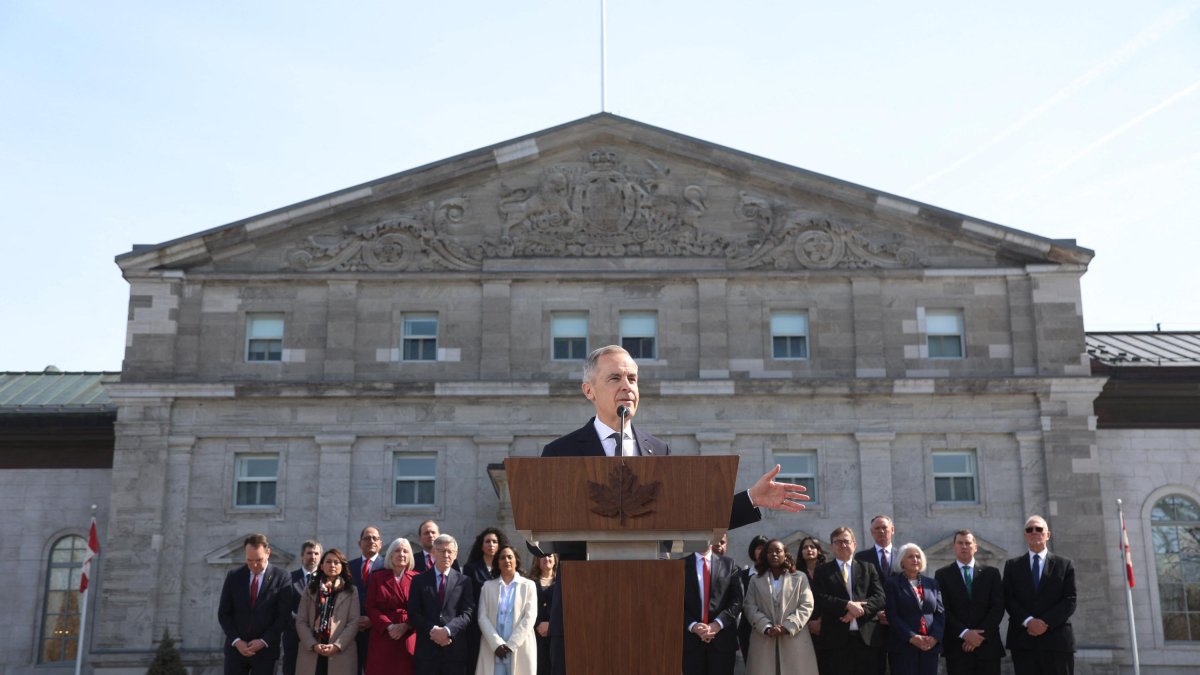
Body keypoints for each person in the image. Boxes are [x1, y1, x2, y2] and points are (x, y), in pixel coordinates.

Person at [538, 345, 810, 675]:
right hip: (586, 608)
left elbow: (690, 515)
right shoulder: (560, 452)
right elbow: (539, 530)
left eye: (633, 378)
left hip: (650, 606)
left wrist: (751, 498)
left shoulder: (657, 451)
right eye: (615, 378)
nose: (628, 386)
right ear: (589, 390)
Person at [1003, 515, 1076, 675]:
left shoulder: (1065, 564)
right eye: (1029, 529)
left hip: (1057, 640)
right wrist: (1029, 622)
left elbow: (1070, 600)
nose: (1034, 532)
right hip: (1023, 641)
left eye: (1039, 529)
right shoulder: (1012, 566)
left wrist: (1044, 623)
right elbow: (1009, 599)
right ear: (1025, 535)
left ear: (1048, 534)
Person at [811, 527, 885, 675]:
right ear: (831, 546)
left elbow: (880, 597)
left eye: (846, 541)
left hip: (867, 639)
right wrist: (847, 605)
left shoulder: (868, 568)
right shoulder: (822, 571)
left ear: (854, 545)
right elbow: (819, 598)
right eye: (838, 542)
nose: (843, 545)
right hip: (835, 641)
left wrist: (858, 611)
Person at [218, 533, 293, 675]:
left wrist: (263, 641)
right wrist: (237, 641)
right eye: (249, 560)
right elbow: (224, 613)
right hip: (236, 651)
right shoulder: (234, 576)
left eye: (259, 560)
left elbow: (283, 616)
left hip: (266, 651)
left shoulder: (282, 577)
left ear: (268, 553)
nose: (254, 565)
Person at [743, 539, 818, 675]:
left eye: (778, 551)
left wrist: (787, 626)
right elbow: (749, 606)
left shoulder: (800, 578)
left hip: (794, 638)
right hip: (764, 637)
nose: (774, 554)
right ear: (765, 556)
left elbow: (807, 605)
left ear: (786, 554)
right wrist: (766, 627)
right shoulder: (755, 580)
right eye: (770, 552)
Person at [934, 529, 1004, 675]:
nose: (964, 546)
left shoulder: (991, 573)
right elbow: (943, 609)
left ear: (975, 547)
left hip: (987, 647)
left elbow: (997, 607)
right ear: (954, 547)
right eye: (960, 543)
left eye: (968, 543)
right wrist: (965, 633)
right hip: (957, 647)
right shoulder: (942, 575)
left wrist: (977, 637)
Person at [408, 534, 476, 675]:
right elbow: (413, 613)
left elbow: (467, 613)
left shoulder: (464, 581)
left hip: (454, 651)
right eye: (441, 551)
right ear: (433, 553)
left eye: (450, 551)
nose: (446, 555)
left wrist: (447, 631)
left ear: (455, 554)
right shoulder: (419, 580)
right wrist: (434, 630)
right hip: (426, 652)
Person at [683, 535, 743, 675]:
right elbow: (675, 601)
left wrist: (717, 624)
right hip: (691, 642)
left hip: (722, 641)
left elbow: (737, 600)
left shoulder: (729, 564)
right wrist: (693, 626)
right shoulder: (681, 565)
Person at [296, 548, 361, 675]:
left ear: (342, 566)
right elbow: (301, 621)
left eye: (336, 562)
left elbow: (353, 622)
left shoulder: (351, 591)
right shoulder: (310, 589)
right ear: (321, 566)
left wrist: (337, 646)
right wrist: (313, 644)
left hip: (340, 651)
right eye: (328, 562)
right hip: (313, 649)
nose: (332, 565)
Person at [475, 545, 538, 675]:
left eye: (510, 557)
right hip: (493, 648)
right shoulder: (487, 587)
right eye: (502, 558)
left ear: (516, 561)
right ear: (497, 563)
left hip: (520, 646)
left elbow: (530, 617)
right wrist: (497, 644)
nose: (506, 560)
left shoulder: (528, 585)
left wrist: (511, 645)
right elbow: (482, 617)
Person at [883, 543, 943, 675]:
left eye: (918, 556)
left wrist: (935, 637)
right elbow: (892, 615)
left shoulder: (932, 583)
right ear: (902, 561)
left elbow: (940, 613)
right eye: (910, 557)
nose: (915, 560)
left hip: (929, 647)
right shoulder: (892, 584)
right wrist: (912, 637)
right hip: (903, 647)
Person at [366, 538, 419, 675]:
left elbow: (421, 608)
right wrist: (389, 626)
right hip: (384, 634)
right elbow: (371, 607)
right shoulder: (376, 578)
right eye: (397, 550)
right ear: (390, 555)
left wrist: (406, 625)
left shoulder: (418, 578)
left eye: (405, 551)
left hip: (408, 635)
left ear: (410, 556)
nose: (401, 554)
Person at [464, 528, 511, 672]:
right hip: (478, 625)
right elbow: (468, 598)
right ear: (481, 545)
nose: (491, 544)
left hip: (502, 625)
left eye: (494, 542)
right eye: (487, 541)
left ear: (499, 545)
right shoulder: (471, 568)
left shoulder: (505, 568)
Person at [855, 515, 897, 674]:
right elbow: (858, 590)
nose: (881, 531)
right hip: (872, 623)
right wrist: (875, 611)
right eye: (877, 529)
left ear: (892, 530)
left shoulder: (903, 556)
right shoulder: (861, 558)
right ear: (871, 532)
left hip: (899, 623)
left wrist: (894, 613)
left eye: (884, 528)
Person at [349, 527, 385, 675]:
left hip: (378, 631)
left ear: (380, 544)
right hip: (352, 632)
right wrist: (353, 619)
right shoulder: (348, 567)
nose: (371, 541)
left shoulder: (387, 566)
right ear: (359, 543)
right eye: (367, 538)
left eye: (375, 538)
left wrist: (373, 619)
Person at [286, 541, 324, 675]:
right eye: (309, 553)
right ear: (302, 556)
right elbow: (285, 608)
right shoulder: (289, 579)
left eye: (316, 553)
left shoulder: (327, 580)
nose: (312, 556)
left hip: (318, 639)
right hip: (294, 637)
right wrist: (303, 625)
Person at [738, 535, 770, 663]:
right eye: (759, 548)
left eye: (765, 549)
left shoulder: (775, 574)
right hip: (748, 627)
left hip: (770, 626)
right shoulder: (743, 575)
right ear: (753, 551)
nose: (762, 552)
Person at [797, 537, 827, 667]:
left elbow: (831, 597)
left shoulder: (828, 572)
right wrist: (808, 623)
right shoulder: (795, 574)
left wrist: (821, 621)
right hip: (803, 626)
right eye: (805, 547)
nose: (809, 549)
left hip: (826, 624)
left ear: (819, 551)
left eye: (812, 547)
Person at [524, 554, 556, 675]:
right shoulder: (528, 582)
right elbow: (524, 608)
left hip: (555, 636)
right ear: (537, 560)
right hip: (534, 634)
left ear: (555, 559)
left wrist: (551, 625)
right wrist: (537, 624)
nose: (546, 559)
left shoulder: (562, 581)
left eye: (549, 556)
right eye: (542, 556)